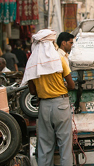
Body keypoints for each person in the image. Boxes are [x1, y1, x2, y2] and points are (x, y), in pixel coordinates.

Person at [21, 29, 75, 166]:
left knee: (45, 145)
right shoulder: (60, 60)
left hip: (44, 106)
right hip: (61, 105)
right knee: (65, 145)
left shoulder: (33, 64)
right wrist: (60, 86)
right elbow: (72, 85)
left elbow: (32, 91)